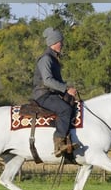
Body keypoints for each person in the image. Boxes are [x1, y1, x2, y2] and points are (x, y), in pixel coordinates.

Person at [32, 27, 78, 157]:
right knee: (65, 110)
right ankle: (59, 143)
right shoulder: (46, 59)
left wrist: (67, 91)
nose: (62, 44)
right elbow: (47, 81)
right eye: (60, 42)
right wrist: (66, 89)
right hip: (43, 95)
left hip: (51, 94)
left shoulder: (53, 58)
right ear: (54, 42)